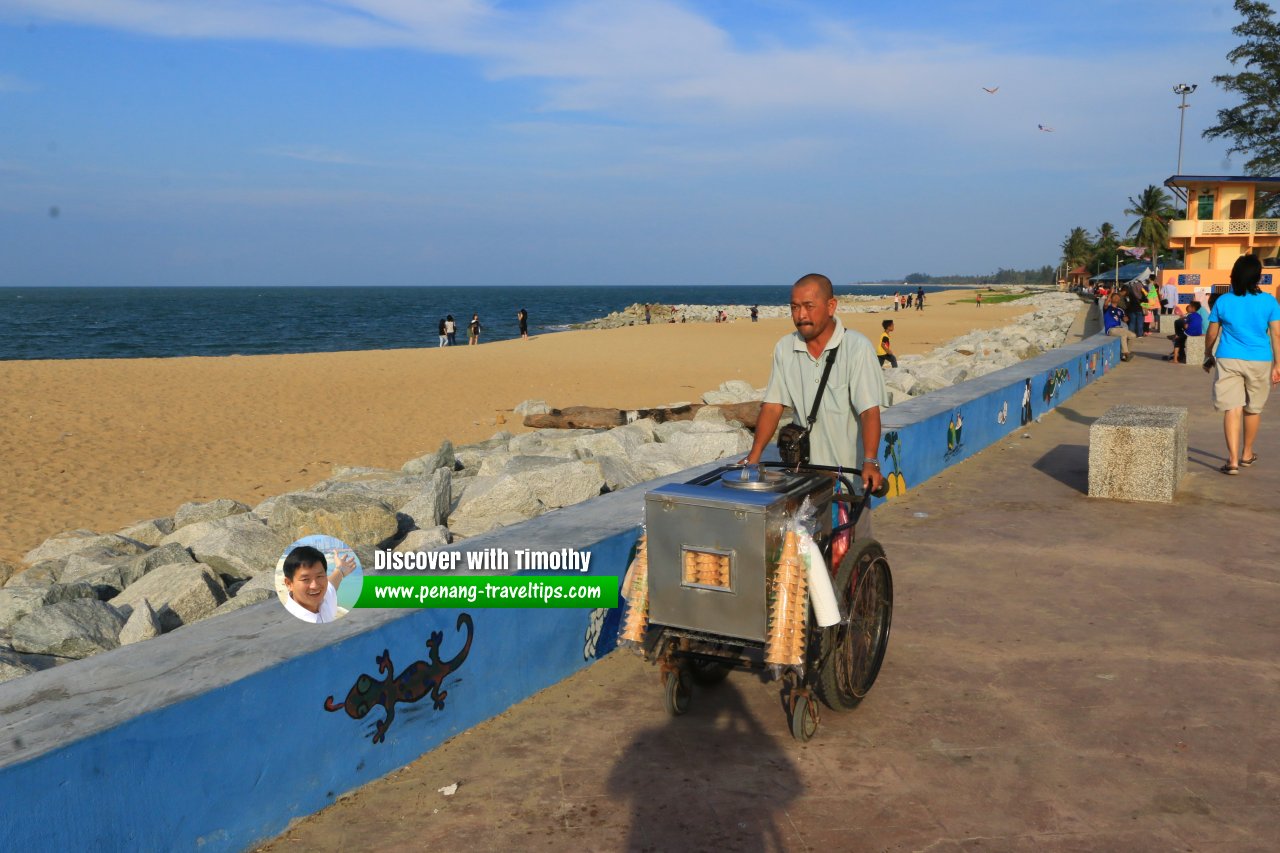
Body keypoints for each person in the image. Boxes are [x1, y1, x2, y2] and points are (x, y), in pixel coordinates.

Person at [745, 273, 887, 504]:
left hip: (847, 480)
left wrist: (870, 462)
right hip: (803, 478)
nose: (801, 315)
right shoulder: (785, 347)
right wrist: (753, 457)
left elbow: (869, 411)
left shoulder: (856, 347)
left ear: (831, 306)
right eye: (794, 307)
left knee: (853, 537)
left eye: (809, 306)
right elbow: (773, 406)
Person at [1204, 254, 1280, 474]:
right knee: (1253, 409)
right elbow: (1276, 334)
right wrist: (1278, 365)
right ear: (1258, 277)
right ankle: (1247, 453)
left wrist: (1208, 354)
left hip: (1228, 359)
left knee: (1232, 408)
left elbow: (1212, 332)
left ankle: (1233, 461)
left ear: (1234, 274)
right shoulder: (1269, 301)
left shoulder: (1224, 301)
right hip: (1260, 360)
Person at [281, 545, 356, 624]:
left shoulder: (325, 597)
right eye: (305, 579)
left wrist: (340, 570)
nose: (315, 586)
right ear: (289, 584)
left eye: (319, 576)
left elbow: (332, 583)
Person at [1103, 292, 1136, 361]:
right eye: (1114, 297)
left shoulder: (1120, 310)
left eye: (1118, 297)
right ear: (1111, 299)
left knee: (1133, 335)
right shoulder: (1107, 308)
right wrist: (1111, 293)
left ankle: (1126, 354)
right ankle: (1126, 354)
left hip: (1119, 328)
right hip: (1111, 329)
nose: (1116, 298)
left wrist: (1125, 319)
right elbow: (1106, 304)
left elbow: (1124, 318)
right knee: (1123, 335)